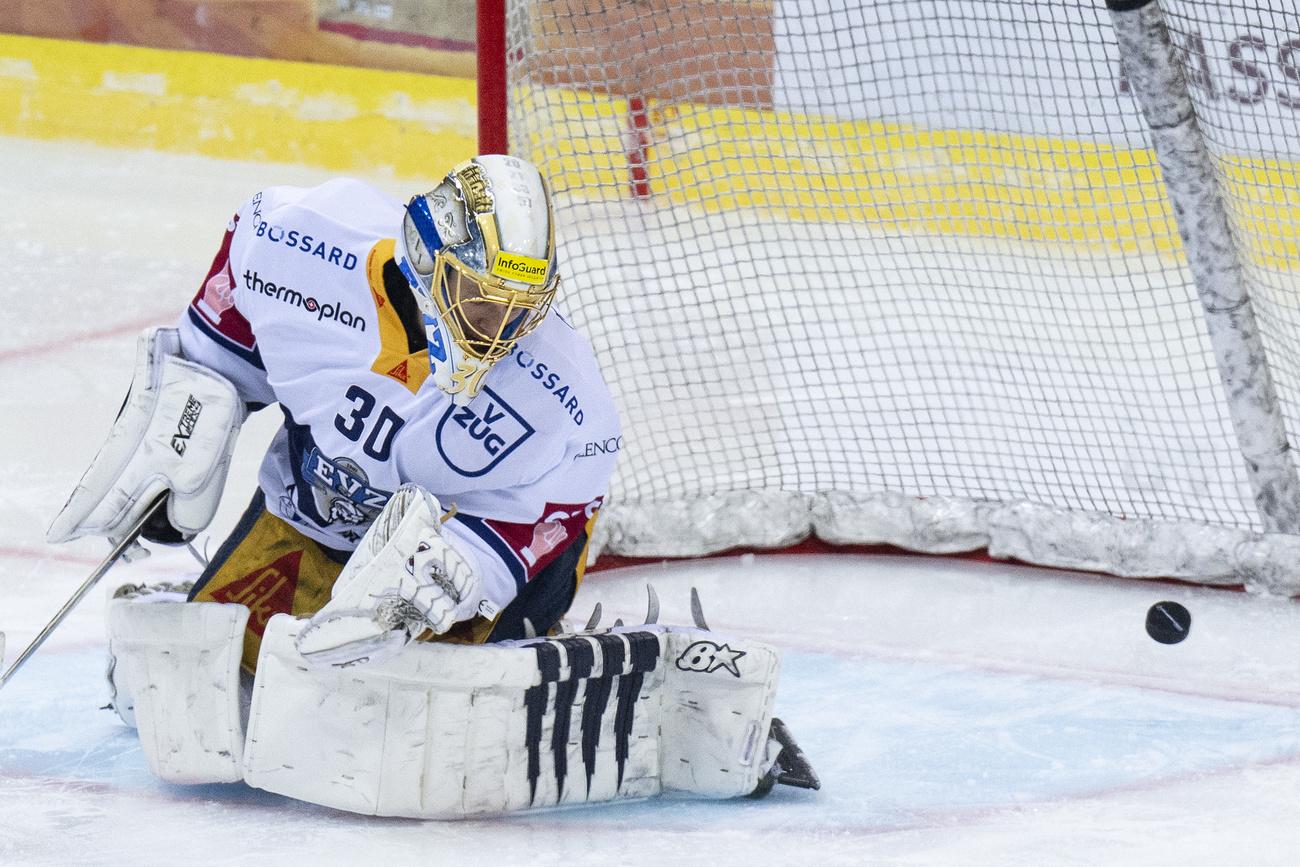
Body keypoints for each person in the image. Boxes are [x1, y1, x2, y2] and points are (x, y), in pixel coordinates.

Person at [47, 154, 622, 674]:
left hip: (444, 550)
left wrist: (469, 565)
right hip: (314, 520)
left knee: (400, 712)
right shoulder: (300, 239)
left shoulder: (567, 399)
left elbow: (555, 508)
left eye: (518, 312)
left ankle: (534, 643)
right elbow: (230, 329)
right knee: (196, 681)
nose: (496, 333)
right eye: (479, 299)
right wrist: (189, 415)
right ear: (426, 253)